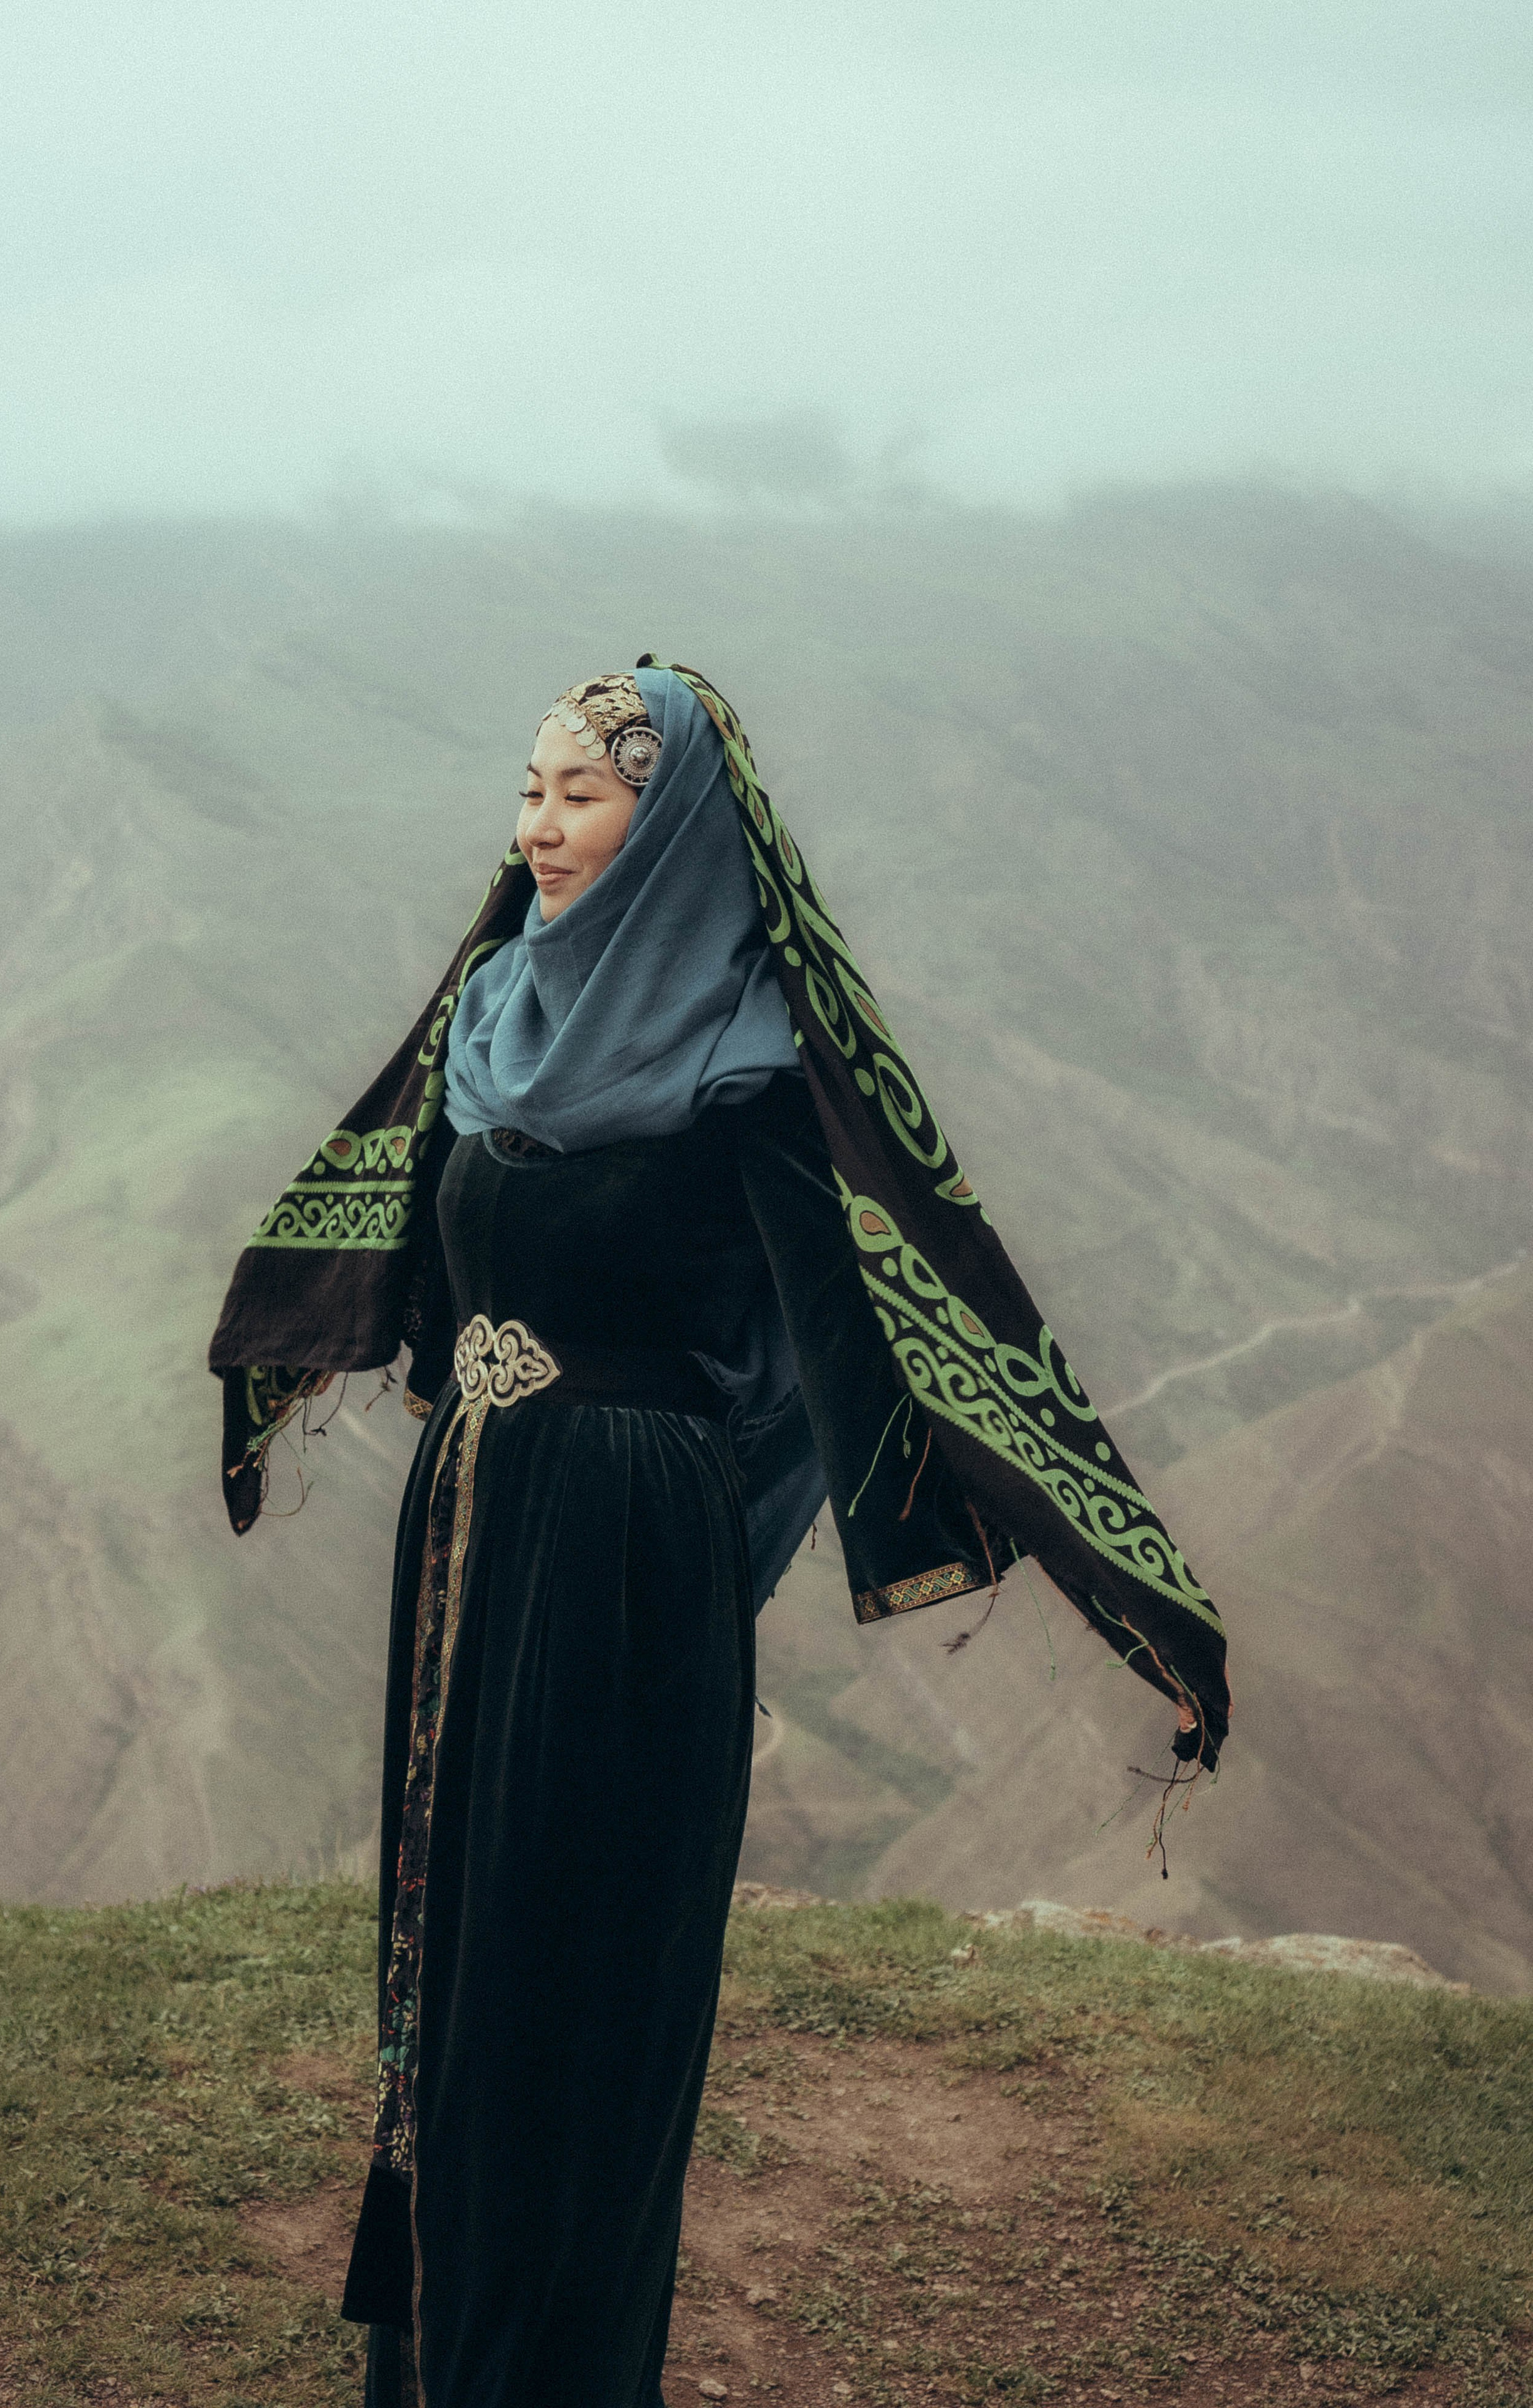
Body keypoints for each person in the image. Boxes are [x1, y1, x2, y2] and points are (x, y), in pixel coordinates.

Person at [209, 660, 1228, 2408]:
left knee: (578, 1979)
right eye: (530, 789)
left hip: (626, 1563)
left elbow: (868, 1341)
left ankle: (546, 2370)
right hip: (465, 1534)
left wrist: (707, 1543)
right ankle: (427, 2358)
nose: (538, 828)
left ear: (671, 819)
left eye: (582, 796)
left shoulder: (754, 1069)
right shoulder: (489, 1015)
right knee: (449, 1948)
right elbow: (420, 1263)